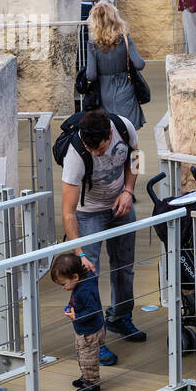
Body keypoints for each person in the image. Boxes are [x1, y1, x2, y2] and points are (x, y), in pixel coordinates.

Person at [61, 109, 145, 361]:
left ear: (110, 133)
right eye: (91, 149)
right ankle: (94, 340)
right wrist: (80, 253)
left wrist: (129, 190)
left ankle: (121, 317)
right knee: (88, 276)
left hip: (121, 204)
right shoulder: (76, 154)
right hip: (88, 215)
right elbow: (67, 213)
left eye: (99, 148)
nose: (95, 153)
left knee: (124, 266)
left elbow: (138, 156)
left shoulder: (123, 126)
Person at [51, 251, 109, 391]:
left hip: (90, 331)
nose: (63, 288)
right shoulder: (83, 280)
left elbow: (93, 310)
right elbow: (75, 298)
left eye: (64, 284)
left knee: (88, 358)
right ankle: (85, 377)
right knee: (82, 355)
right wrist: (71, 306)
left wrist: (76, 316)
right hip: (83, 330)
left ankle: (92, 382)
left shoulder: (85, 290)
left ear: (75, 277)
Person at [85, 0, 147, 129]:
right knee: (128, 132)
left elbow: (91, 75)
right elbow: (140, 64)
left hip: (104, 94)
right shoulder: (124, 39)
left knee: (109, 133)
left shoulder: (92, 44)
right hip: (125, 90)